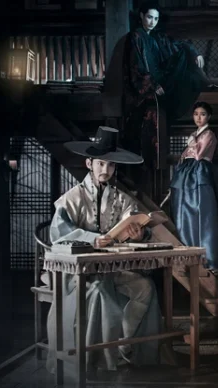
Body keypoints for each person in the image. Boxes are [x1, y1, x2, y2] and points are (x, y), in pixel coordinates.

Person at [46, 126, 162, 374]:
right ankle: (95, 358)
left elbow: (134, 224)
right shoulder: (72, 198)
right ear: (89, 163)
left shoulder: (122, 199)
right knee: (100, 292)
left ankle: (124, 345)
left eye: (110, 165)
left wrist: (139, 234)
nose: (105, 170)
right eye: (100, 164)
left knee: (145, 288)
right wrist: (92, 239)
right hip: (79, 273)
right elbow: (58, 234)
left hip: (112, 268)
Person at [121, 1, 209, 197]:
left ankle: (200, 83)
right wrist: (152, 86)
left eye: (156, 18)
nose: (152, 22)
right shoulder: (136, 37)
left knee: (184, 53)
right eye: (149, 17)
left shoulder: (157, 38)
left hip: (160, 80)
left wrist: (195, 53)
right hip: (147, 88)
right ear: (142, 16)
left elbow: (177, 47)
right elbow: (136, 67)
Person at [169, 101, 218, 275]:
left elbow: (199, 155)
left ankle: (209, 258)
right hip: (188, 173)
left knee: (203, 212)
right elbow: (184, 156)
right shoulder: (194, 134)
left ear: (209, 116)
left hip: (200, 173)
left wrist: (191, 144)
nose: (199, 118)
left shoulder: (209, 134)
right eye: (196, 114)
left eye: (203, 114)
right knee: (185, 212)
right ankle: (187, 252)